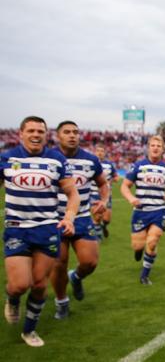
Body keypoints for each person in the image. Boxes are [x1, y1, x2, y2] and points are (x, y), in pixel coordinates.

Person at [1, 116, 79, 347]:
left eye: (40, 131)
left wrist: (69, 217)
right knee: (19, 284)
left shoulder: (56, 159)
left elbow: (72, 193)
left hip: (46, 229)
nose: (36, 135)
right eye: (31, 130)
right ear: (21, 133)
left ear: (46, 135)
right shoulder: (7, 158)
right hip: (16, 229)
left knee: (39, 285)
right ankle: (13, 298)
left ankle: (29, 331)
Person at [50, 121, 110, 319]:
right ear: (58, 136)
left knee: (90, 262)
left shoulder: (90, 160)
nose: (72, 135)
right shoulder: (48, 158)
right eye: (67, 132)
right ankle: (61, 302)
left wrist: (103, 200)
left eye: (75, 132)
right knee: (60, 262)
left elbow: (103, 183)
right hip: (54, 219)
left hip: (83, 217)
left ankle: (75, 277)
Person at [120, 135, 165, 285]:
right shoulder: (138, 166)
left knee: (152, 242)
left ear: (163, 149)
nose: (156, 148)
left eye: (159, 145)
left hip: (159, 210)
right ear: (148, 148)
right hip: (140, 211)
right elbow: (125, 186)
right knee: (137, 245)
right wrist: (131, 199)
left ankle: (144, 275)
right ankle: (139, 251)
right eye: (153, 145)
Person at [89, 143, 119, 239]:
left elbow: (116, 177)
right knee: (97, 217)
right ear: (95, 152)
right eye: (98, 151)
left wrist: (112, 180)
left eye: (102, 151)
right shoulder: (91, 163)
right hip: (94, 193)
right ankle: (98, 238)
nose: (100, 153)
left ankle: (104, 226)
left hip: (106, 195)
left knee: (106, 219)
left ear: (104, 153)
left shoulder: (109, 165)